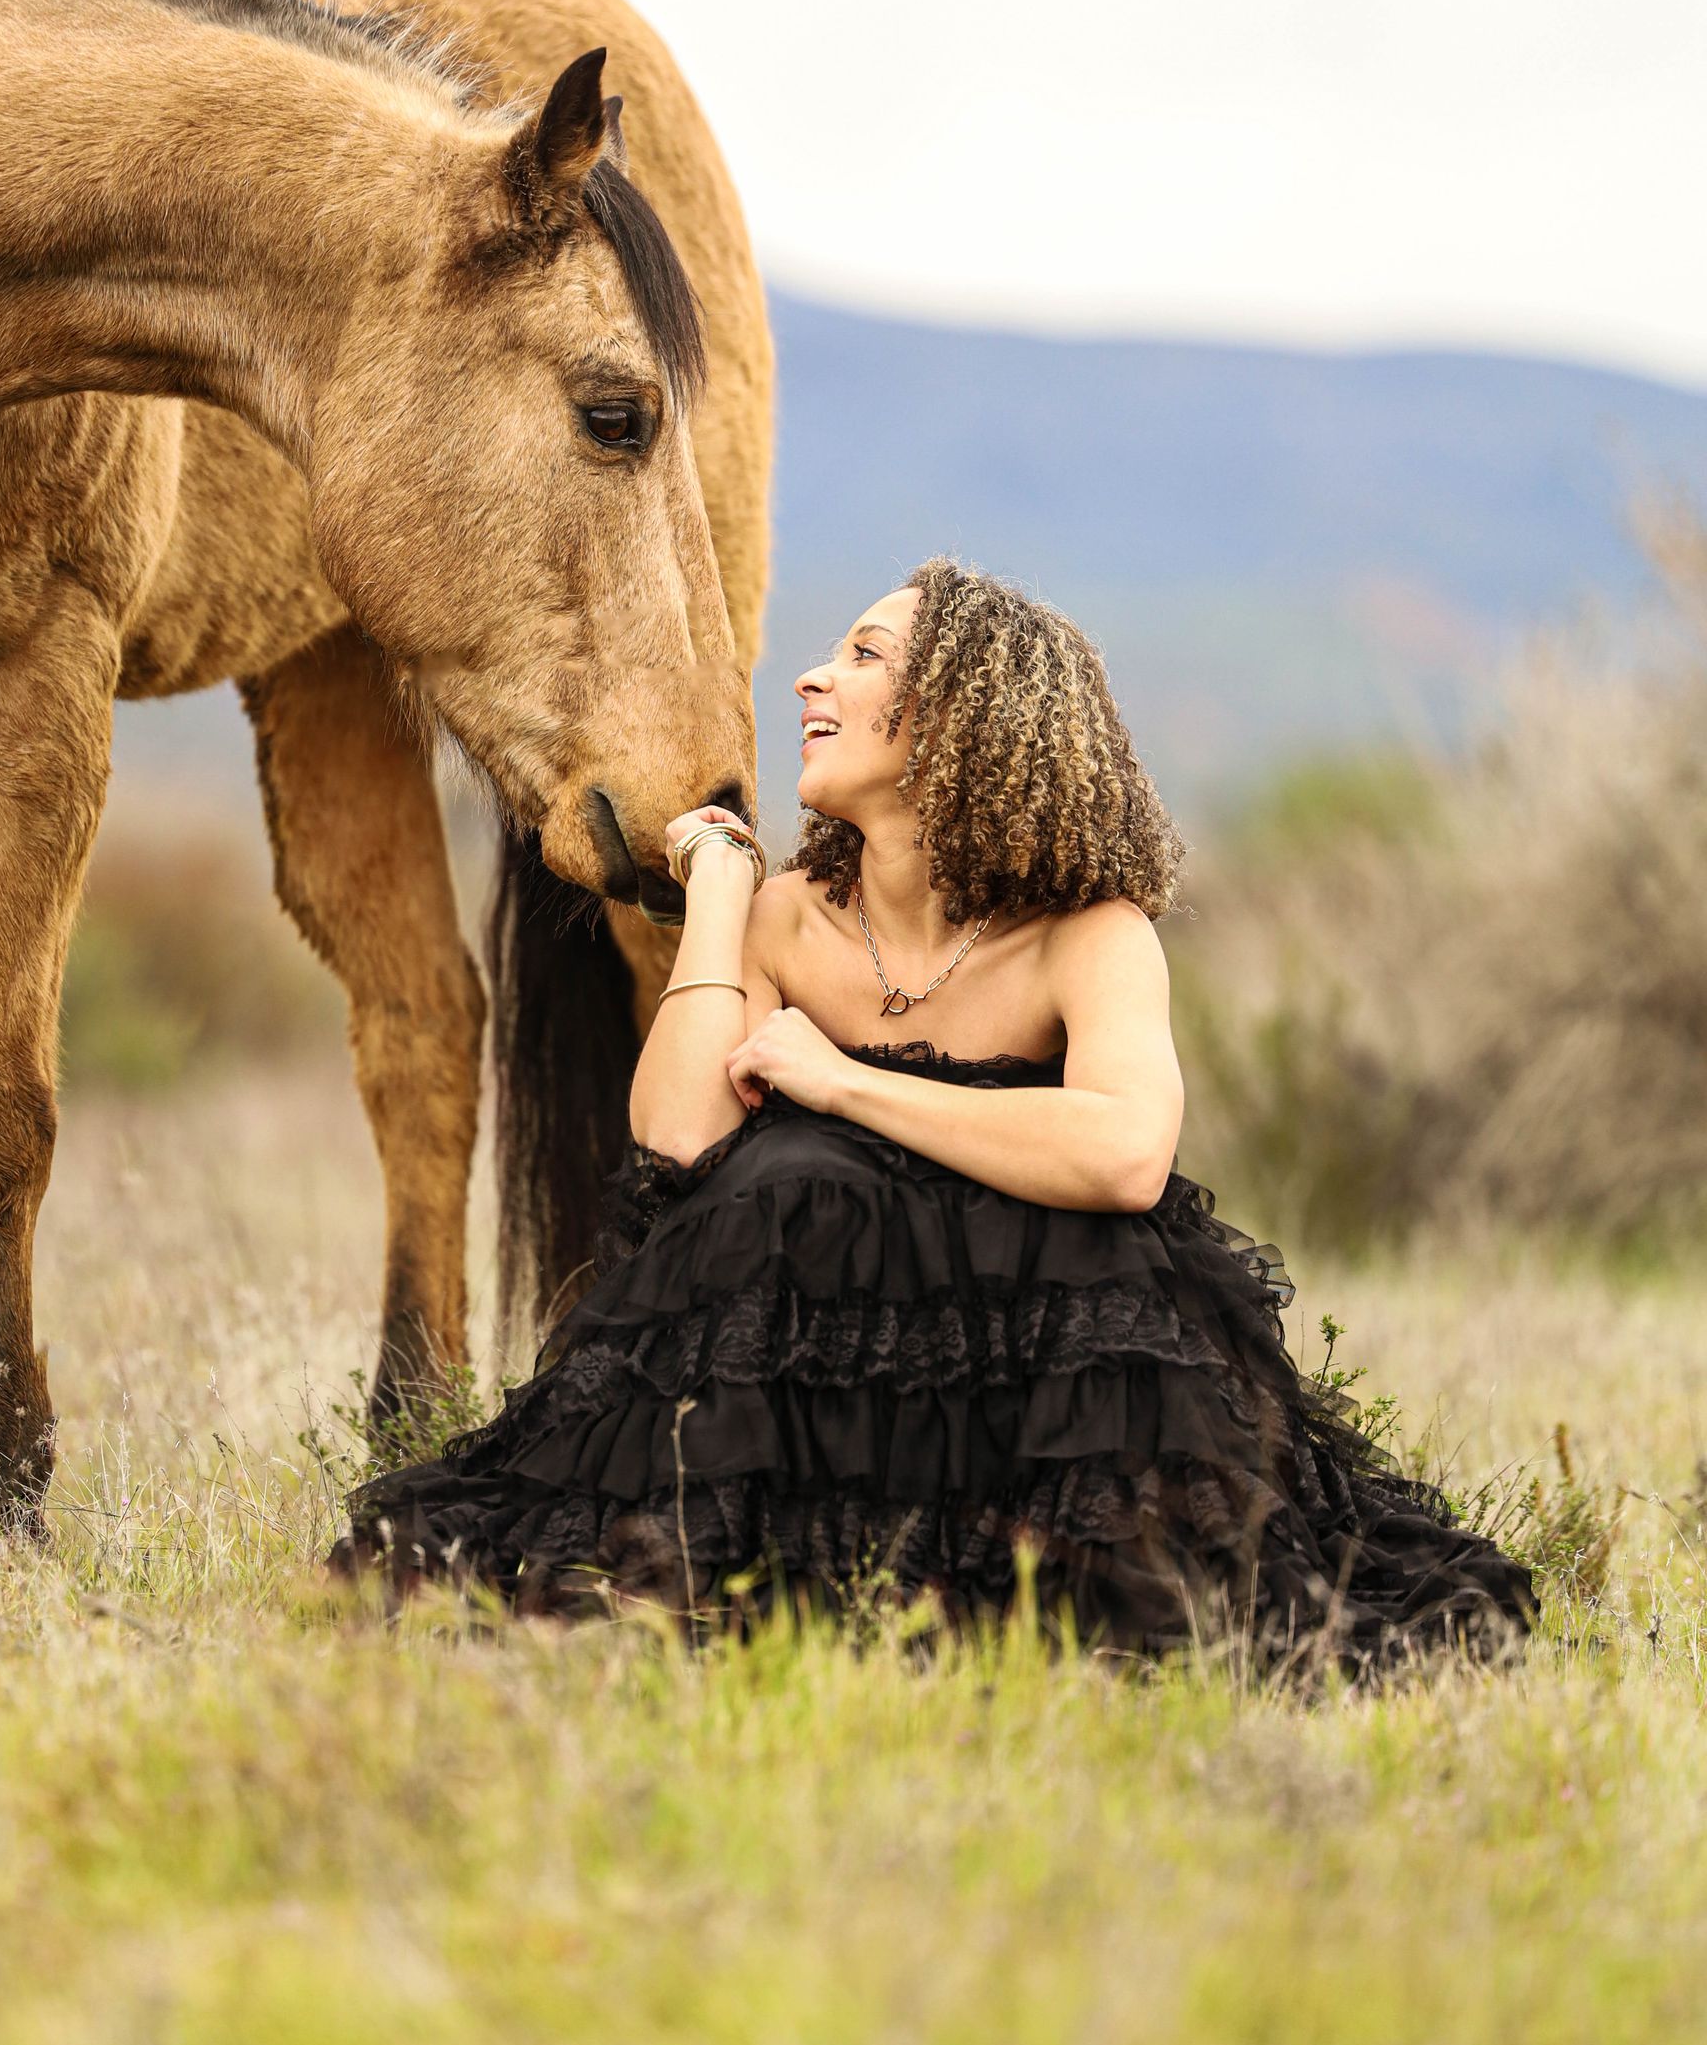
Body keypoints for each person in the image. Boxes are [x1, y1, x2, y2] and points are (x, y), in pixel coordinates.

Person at [337, 558, 1533, 1665]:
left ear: (958, 718)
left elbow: (1123, 1155)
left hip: (1035, 1433)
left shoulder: (1090, 934)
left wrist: (845, 1082)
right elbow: (680, 1137)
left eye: (862, 656)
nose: (810, 675)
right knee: (772, 1187)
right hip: (815, 1433)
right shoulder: (786, 922)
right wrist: (718, 893)